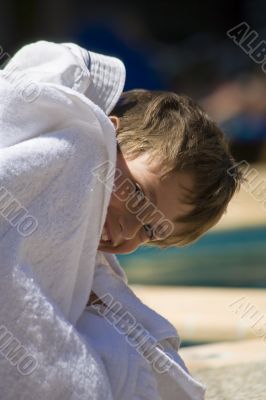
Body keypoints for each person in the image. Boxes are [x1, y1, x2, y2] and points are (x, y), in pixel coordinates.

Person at [0, 40, 243, 399]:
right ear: (107, 134)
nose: (129, 229)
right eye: (140, 196)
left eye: (150, 230)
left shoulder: (86, 262)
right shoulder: (77, 149)